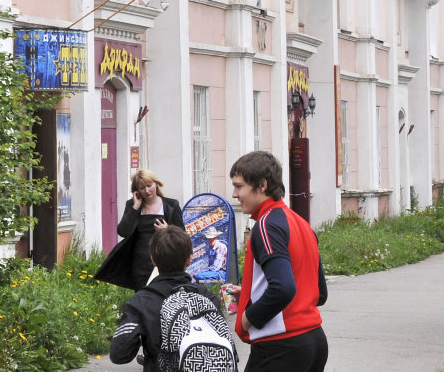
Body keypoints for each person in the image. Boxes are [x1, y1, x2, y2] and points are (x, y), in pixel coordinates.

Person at [225, 151, 328, 371]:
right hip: (313, 341)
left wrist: (247, 318)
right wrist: (249, 294)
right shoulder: (300, 223)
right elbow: (319, 293)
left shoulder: (266, 225)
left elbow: (283, 288)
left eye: (239, 186)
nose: (234, 194)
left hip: (282, 347)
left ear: (262, 185)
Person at [109, 225, 236, 372]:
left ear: (153, 260)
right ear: (189, 259)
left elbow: (119, 355)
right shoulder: (208, 298)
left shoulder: (141, 302)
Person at [96, 169, 186, 289]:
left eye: (149, 185)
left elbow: (182, 235)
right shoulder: (132, 205)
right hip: (140, 263)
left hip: (165, 261)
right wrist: (135, 207)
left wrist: (167, 230)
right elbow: (123, 231)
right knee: (143, 298)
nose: (147, 191)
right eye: (142, 188)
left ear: (156, 183)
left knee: (164, 295)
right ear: (137, 190)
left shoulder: (171, 205)